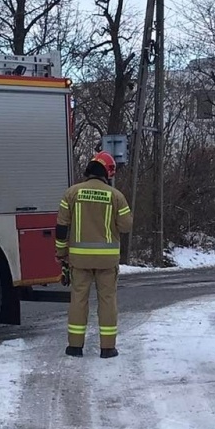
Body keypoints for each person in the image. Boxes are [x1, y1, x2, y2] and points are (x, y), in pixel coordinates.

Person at [56, 151, 134, 358]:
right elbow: (126, 226)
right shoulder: (115, 196)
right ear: (107, 173)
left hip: (79, 260)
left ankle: (75, 347)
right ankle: (107, 348)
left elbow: (61, 228)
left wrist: (61, 253)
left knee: (78, 300)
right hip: (107, 261)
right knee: (107, 301)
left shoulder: (71, 193)